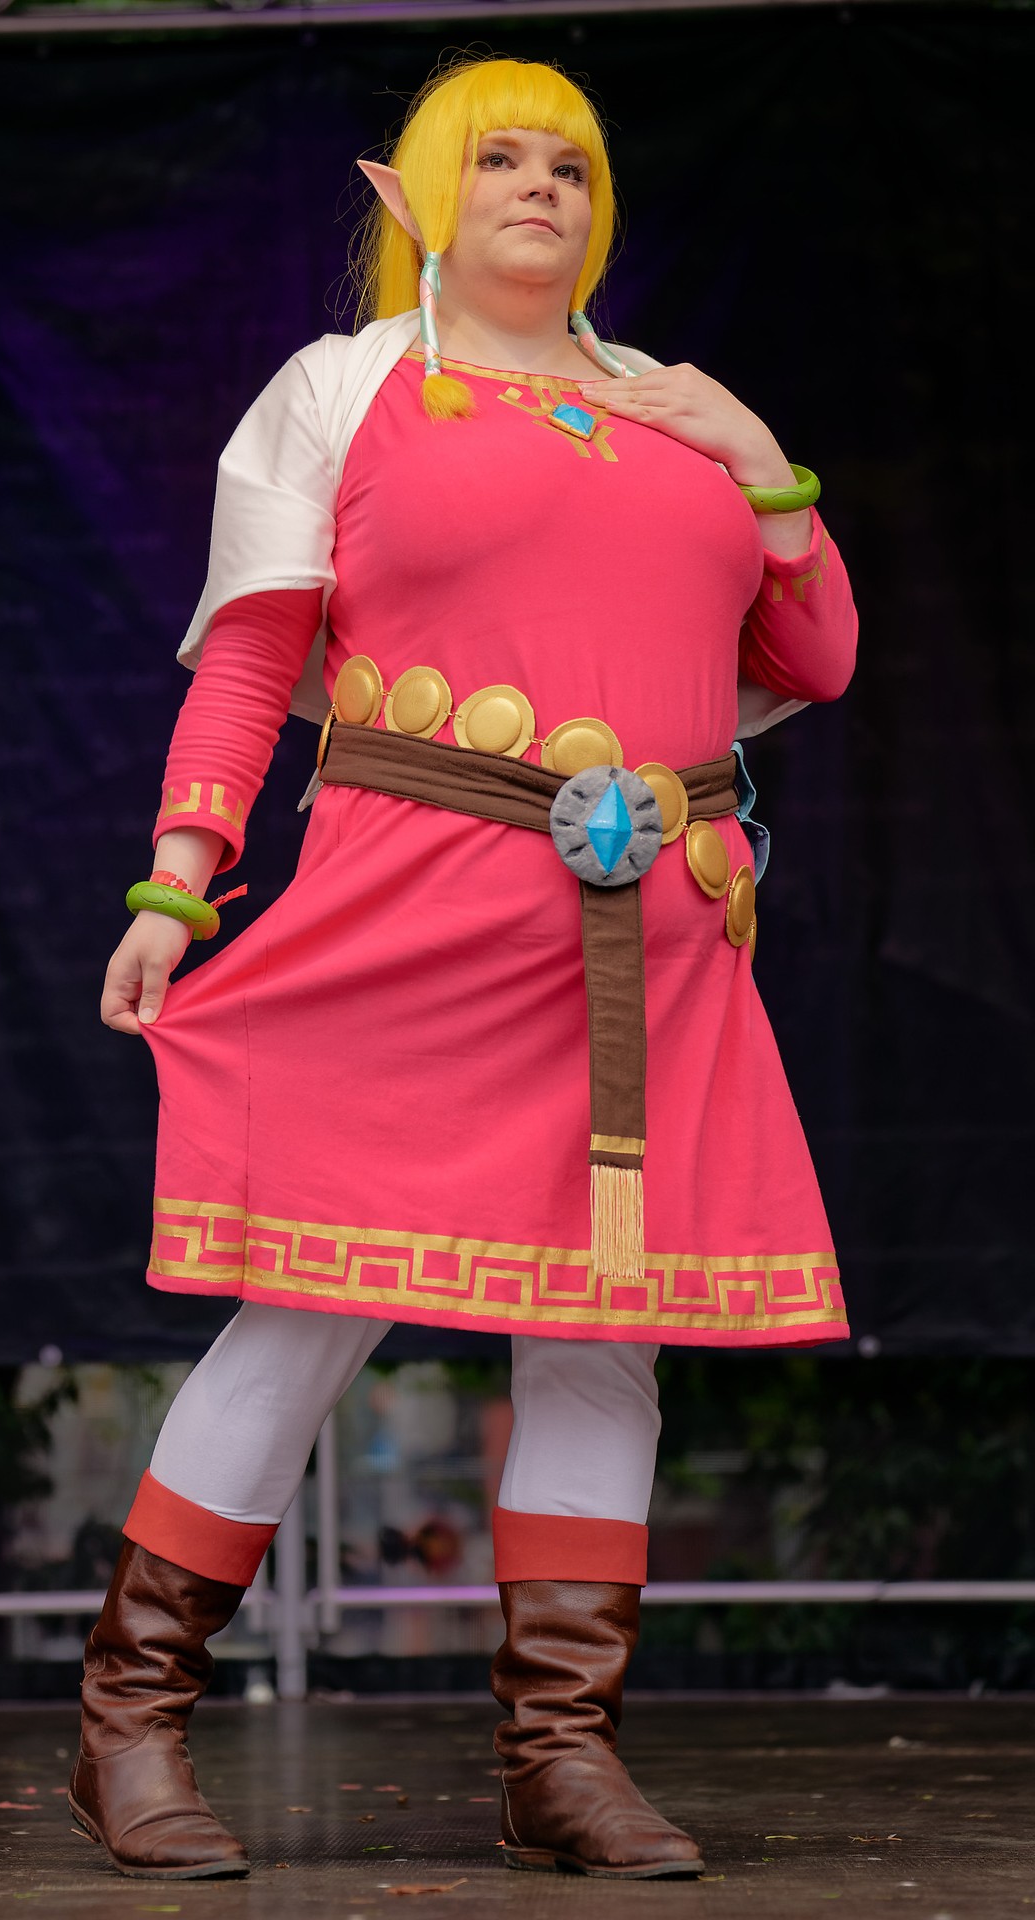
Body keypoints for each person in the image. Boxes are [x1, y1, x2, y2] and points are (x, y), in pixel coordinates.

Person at [67, 54, 858, 1883]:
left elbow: (812, 657)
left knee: (603, 1336)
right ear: (415, 192)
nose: (538, 187)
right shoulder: (343, 388)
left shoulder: (674, 413)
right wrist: (176, 882)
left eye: (568, 164)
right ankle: (130, 1726)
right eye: (496, 157)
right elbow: (251, 659)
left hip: (646, 937)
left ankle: (561, 1758)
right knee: (307, 1307)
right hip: (411, 908)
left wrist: (763, 463)